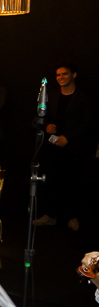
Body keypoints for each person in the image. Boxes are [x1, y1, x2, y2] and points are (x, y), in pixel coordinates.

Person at [38, 62, 92, 229]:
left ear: (73, 75)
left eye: (64, 74)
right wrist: (46, 126)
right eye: (58, 75)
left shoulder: (83, 97)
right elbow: (41, 116)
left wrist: (68, 138)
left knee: (73, 182)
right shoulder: (52, 96)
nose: (60, 78)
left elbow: (88, 123)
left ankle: (72, 217)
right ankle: (50, 215)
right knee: (51, 181)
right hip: (52, 145)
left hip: (74, 147)